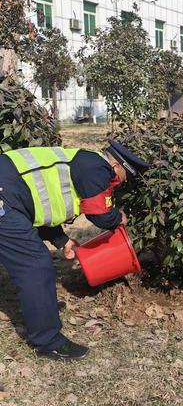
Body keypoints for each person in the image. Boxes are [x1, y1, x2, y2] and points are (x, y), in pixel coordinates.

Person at [0, 140, 149, 360]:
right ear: (118, 167)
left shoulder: (82, 162)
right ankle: (48, 342)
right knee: (36, 266)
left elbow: (39, 205)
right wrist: (119, 217)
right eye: (127, 178)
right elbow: (100, 215)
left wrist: (61, 240)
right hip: (4, 200)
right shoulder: (98, 168)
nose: (122, 184)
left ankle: (43, 315)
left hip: (9, 198)